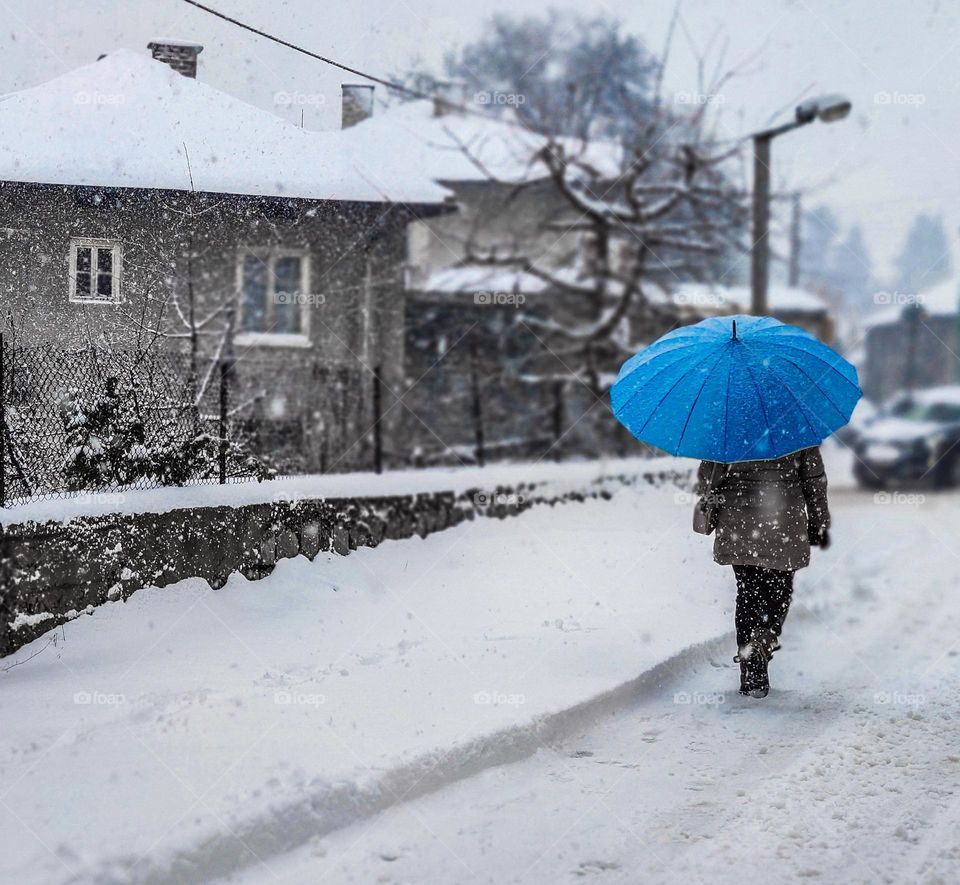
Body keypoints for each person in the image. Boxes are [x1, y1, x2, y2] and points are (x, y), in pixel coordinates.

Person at [694, 446, 830, 699]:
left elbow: (708, 478)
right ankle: (763, 638)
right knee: (779, 590)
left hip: (738, 522)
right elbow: (814, 480)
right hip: (782, 521)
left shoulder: (725, 428)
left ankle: (749, 662)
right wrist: (818, 521)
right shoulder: (796, 428)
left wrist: (710, 509)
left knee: (748, 591)